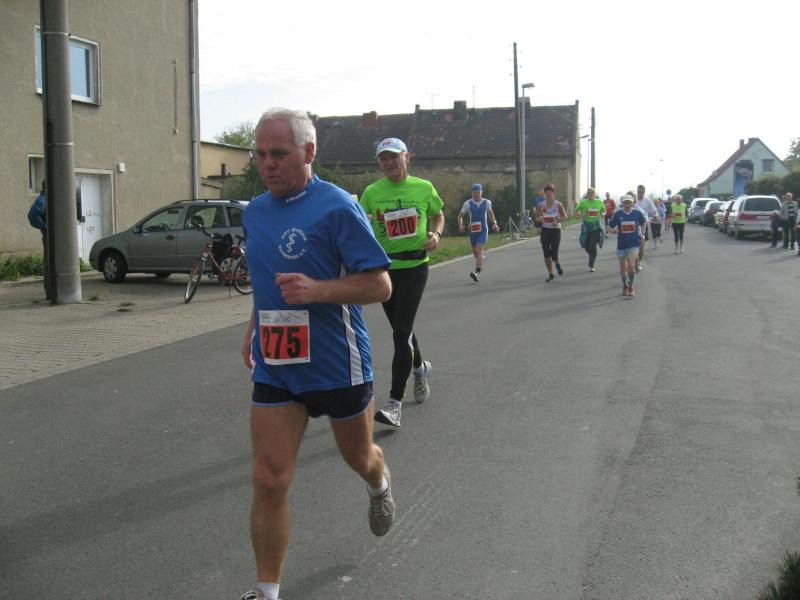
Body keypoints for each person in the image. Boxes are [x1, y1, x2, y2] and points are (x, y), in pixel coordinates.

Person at [238, 108, 395, 600]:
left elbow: (380, 285)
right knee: (268, 478)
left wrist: (319, 290)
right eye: (260, 154)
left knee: (358, 457)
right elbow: (266, 279)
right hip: (277, 366)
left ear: (308, 152)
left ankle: (379, 480)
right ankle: (267, 593)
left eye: (278, 153)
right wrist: (253, 328)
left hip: (337, 364)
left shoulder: (338, 207)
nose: (267, 164)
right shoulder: (254, 212)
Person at [359, 137, 445, 428]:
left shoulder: (424, 187)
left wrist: (436, 234)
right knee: (401, 331)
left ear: (407, 157)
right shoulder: (371, 192)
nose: (389, 163)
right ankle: (420, 368)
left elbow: (438, 215)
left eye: (394, 156)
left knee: (401, 333)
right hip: (385, 271)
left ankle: (394, 404)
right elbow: (361, 224)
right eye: (383, 158)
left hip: (415, 268)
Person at [458, 183, 499, 281]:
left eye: (478, 192)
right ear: (471, 193)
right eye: (474, 192)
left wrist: (494, 223)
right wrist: (460, 225)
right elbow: (460, 216)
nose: (476, 194)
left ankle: (476, 272)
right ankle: (481, 258)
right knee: (476, 254)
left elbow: (490, 213)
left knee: (479, 250)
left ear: (481, 192)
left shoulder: (487, 202)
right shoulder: (468, 203)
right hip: (473, 232)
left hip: (483, 230)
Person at [607, 194, 646, 297]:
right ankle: (625, 285)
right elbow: (609, 227)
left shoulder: (637, 213)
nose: (627, 204)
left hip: (634, 243)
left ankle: (631, 286)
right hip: (622, 244)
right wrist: (613, 231)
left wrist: (642, 234)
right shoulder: (618, 214)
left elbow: (644, 222)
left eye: (629, 202)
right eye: (625, 202)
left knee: (631, 265)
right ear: (622, 203)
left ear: (633, 203)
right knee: (623, 269)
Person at [534, 182, 567, 282]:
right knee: (546, 253)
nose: (548, 194)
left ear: (553, 193)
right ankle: (551, 274)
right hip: (545, 230)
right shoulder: (541, 205)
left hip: (555, 230)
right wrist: (540, 219)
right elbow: (537, 218)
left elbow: (565, 216)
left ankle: (557, 264)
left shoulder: (558, 204)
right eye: (546, 192)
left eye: (550, 192)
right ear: (544, 194)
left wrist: (557, 220)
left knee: (554, 253)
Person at [27, 180, 50, 300]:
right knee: (50, 263)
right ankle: (50, 291)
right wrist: (45, 227)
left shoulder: (52, 199)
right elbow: (32, 215)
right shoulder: (42, 200)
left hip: (57, 237)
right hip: (49, 237)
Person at [575, 187, 605, 271]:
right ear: (587, 195)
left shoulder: (599, 202)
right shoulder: (583, 202)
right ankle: (591, 254)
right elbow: (576, 211)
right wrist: (581, 215)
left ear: (595, 194)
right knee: (586, 246)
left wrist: (603, 213)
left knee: (592, 246)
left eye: (592, 193)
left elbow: (604, 210)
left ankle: (591, 265)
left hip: (595, 226)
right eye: (589, 193)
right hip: (586, 226)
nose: (590, 194)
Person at [633, 184, 657, 271]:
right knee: (633, 246)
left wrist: (656, 215)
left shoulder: (648, 201)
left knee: (641, 246)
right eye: (638, 192)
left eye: (641, 192)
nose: (640, 194)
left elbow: (655, 211)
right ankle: (634, 260)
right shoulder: (634, 200)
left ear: (644, 192)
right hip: (633, 226)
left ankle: (639, 262)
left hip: (643, 225)